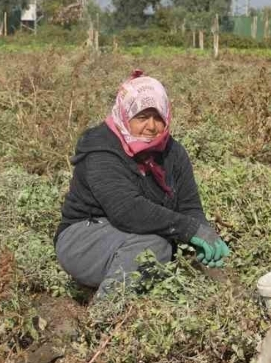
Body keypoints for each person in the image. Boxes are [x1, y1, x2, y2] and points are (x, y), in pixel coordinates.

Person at [55, 70, 230, 296]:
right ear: (125, 116)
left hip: (135, 233)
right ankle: (106, 316)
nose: (151, 126)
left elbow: (189, 207)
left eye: (158, 117)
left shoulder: (173, 152)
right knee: (154, 246)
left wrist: (205, 235)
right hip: (83, 237)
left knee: (169, 248)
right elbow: (126, 210)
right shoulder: (101, 149)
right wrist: (188, 229)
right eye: (141, 117)